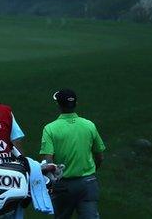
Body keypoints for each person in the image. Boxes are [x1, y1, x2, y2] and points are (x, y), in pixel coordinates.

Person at [40, 89, 106, 219]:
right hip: (88, 183)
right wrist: (91, 172)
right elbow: (100, 156)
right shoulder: (89, 125)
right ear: (76, 104)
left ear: (58, 105)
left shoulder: (50, 129)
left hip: (63, 186)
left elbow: (48, 162)